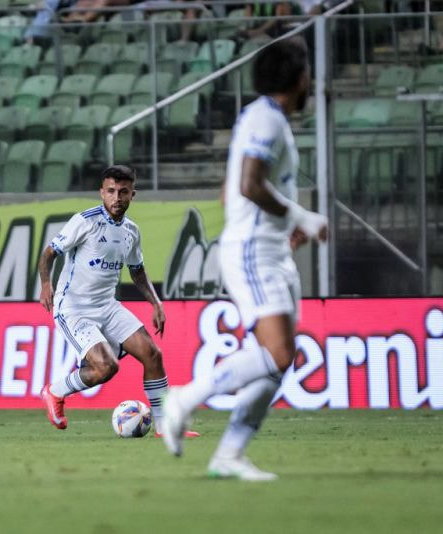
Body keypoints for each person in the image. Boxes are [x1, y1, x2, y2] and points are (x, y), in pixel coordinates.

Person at [161, 38, 328, 481]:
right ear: (299, 78)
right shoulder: (266, 119)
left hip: (270, 248)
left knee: (279, 357)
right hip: (254, 252)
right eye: (308, 73)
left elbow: (231, 190)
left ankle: (229, 454)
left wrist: (282, 226)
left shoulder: (263, 118)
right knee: (278, 352)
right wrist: (301, 217)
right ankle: (183, 399)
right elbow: (248, 185)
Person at [38, 165, 199, 439]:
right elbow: (49, 253)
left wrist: (156, 303)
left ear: (132, 194)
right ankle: (55, 391)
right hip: (74, 308)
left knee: (153, 354)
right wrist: (45, 283)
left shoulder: (131, 231)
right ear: (101, 192)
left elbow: (137, 271)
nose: (117, 198)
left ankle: (165, 427)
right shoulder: (84, 221)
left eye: (123, 192)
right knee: (106, 367)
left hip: (108, 306)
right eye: (111, 191)